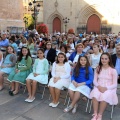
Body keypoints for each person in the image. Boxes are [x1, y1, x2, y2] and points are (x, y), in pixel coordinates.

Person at [90, 53, 118, 120]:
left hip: (109, 88)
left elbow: (115, 84)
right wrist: (98, 86)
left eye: (106, 59)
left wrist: (106, 88)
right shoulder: (98, 68)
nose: (104, 60)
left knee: (104, 98)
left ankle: (100, 115)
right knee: (95, 96)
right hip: (99, 86)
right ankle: (95, 114)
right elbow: (94, 80)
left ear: (109, 60)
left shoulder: (113, 70)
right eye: (102, 58)